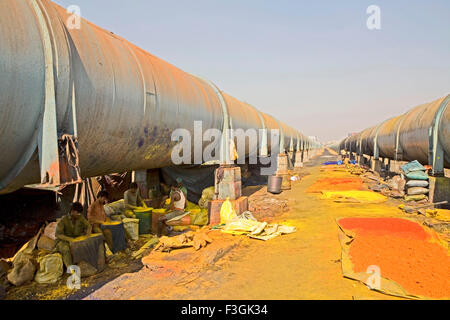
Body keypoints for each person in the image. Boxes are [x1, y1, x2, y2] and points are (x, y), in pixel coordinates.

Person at [55, 202, 92, 268]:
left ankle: (86, 265)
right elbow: (58, 234)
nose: (79, 214)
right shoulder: (63, 220)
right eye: (77, 213)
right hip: (64, 240)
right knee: (66, 249)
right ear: (72, 211)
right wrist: (70, 240)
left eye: (80, 213)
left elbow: (88, 226)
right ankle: (71, 270)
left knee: (89, 243)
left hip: (76, 238)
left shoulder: (81, 217)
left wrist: (87, 235)